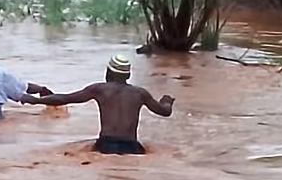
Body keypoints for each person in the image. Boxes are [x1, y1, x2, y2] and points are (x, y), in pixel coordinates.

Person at [21, 54, 174, 154]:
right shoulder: (140, 93)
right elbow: (164, 111)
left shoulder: (100, 89)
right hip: (132, 146)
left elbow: (65, 98)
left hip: (106, 145)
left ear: (108, 72)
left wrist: (36, 100)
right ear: (128, 75)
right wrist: (166, 101)